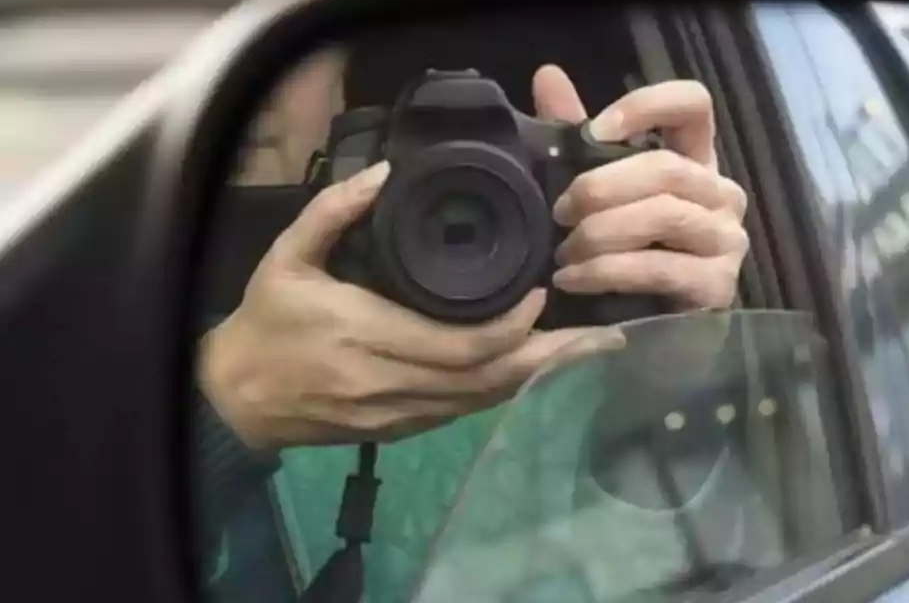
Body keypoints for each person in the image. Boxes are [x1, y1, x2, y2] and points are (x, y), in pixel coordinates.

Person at [194, 62, 752, 603]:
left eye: (286, 45)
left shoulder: (559, 338)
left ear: (342, 88)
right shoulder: (111, 329)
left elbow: (671, 571)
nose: (252, 80)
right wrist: (224, 403)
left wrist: (669, 381)